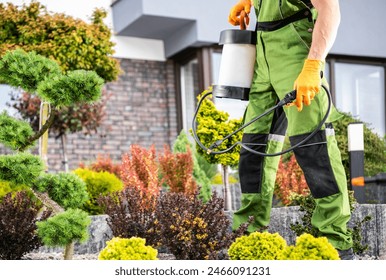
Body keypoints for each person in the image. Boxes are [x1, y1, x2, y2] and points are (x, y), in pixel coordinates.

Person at [228, 0, 355, 259]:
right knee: (254, 146)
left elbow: (330, 9)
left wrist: (313, 65)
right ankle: (249, 233)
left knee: (313, 146)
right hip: (263, 51)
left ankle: (335, 241)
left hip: (295, 50)